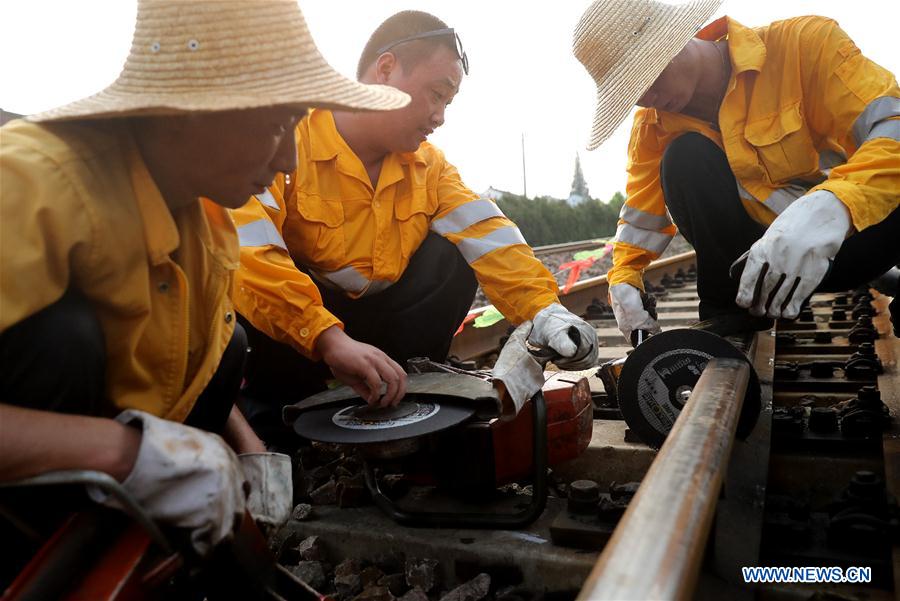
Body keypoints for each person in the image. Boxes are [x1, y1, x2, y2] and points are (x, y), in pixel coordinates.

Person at [0, 0, 409, 571]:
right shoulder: (32, 184)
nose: (290, 159)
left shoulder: (207, 219)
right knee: (63, 338)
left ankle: (131, 547)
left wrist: (249, 452)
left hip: (104, 468)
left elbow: (193, 368)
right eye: (276, 126)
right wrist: (127, 454)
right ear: (185, 113)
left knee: (231, 346)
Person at [231, 10, 598, 440]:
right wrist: (327, 338)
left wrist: (544, 311)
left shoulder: (430, 168)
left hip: (384, 336)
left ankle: (406, 398)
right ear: (386, 69)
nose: (440, 116)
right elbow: (247, 250)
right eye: (436, 95)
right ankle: (276, 417)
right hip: (299, 340)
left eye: (447, 103)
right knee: (247, 293)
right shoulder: (289, 138)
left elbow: (492, 238)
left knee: (450, 258)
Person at [572, 0, 900, 342]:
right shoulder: (654, 127)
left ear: (674, 41)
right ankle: (730, 315)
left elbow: (893, 126)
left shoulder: (805, 45)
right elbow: (640, 215)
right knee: (684, 157)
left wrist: (834, 206)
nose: (646, 96)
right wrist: (624, 277)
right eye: (630, 92)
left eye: (645, 77)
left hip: (859, 237)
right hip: (760, 268)